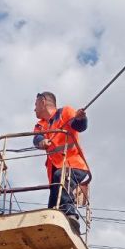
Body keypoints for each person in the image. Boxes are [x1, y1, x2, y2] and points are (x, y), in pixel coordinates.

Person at [32, 91, 90, 234]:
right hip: (57, 172)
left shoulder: (65, 112)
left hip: (73, 165)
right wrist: (42, 142)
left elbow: (78, 126)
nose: (34, 109)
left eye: (35, 104)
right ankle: (54, 231)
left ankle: (71, 216)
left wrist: (81, 119)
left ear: (43, 101)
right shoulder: (40, 125)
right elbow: (36, 139)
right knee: (53, 205)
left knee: (61, 178)